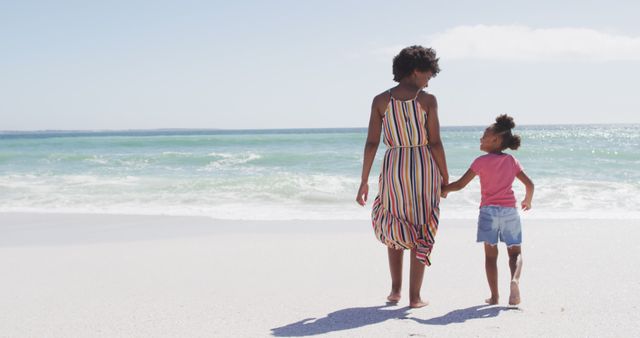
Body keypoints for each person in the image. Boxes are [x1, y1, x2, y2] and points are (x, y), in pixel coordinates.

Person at [356, 46, 449, 308]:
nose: (430, 79)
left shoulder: (380, 101)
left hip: (393, 165)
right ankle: (415, 297)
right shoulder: (427, 100)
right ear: (417, 70)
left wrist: (364, 180)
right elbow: (436, 143)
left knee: (393, 225)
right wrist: (445, 176)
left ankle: (395, 291)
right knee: (421, 227)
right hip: (422, 166)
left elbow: (372, 143)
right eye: (429, 73)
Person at [442, 114, 534, 306]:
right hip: (509, 212)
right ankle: (514, 281)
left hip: (488, 213)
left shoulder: (480, 162)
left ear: (496, 140)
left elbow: (459, 185)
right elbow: (530, 184)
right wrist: (527, 200)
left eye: (484, 135)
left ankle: (494, 296)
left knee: (491, 257)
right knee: (515, 254)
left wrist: (442, 190)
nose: (481, 138)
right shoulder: (511, 161)